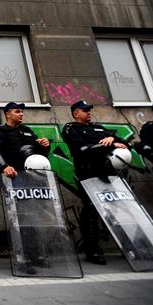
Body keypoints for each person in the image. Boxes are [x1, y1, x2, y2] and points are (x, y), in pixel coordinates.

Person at [62, 100, 129, 265]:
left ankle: (130, 246)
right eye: (85, 110)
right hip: (88, 173)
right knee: (91, 209)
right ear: (76, 113)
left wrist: (113, 141)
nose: (89, 112)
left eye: (89, 110)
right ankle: (92, 250)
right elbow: (81, 150)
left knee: (120, 208)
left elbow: (125, 144)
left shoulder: (100, 128)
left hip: (109, 174)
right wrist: (107, 144)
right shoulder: (71, 128)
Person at [0, 101, 51, 274]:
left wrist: (45, 146)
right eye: (17, 111)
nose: (21, 114)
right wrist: (4, 166)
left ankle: (37, 255)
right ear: (8, 114)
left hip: (33, 180)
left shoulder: (28, 131)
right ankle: (23, 259)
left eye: (22, 111)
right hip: (15, 180)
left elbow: (36, 155)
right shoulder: (0, 132)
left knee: (34, 217)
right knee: (20, 218)